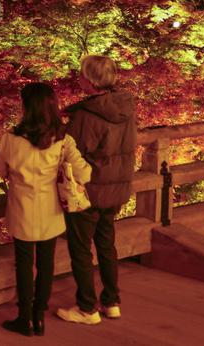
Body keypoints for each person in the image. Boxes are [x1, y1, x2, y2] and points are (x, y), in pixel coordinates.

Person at [0, 82, 91, 337]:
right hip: (50, 210)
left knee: (24, 263)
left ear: (26, 107)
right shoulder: (62, 140)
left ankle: (24, 317)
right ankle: (39, 317)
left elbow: (0, 170)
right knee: (46, 264)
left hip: (21, 208)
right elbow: (85, 173)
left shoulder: (10, 140)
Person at [57, 55, 137, 325]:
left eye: (81, 75)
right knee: (106, 244)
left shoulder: (86, 115)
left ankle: (87, 308)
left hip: (89, 190)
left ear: (90, 81)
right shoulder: (125, 108)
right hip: (116, 186)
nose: (78, 78)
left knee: (81, 248)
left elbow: (74, 154)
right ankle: (111, 301)